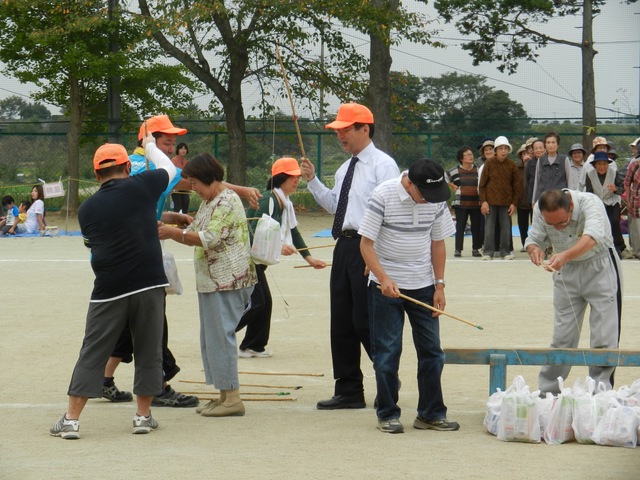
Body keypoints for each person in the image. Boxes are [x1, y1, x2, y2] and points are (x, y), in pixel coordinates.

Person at [102, 115, 260, 408]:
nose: (172, 142)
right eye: (165, 137)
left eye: (174, 138)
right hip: (135, 255)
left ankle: (110, 377)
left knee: (135, 320)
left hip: (211, 275)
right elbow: (185, 182)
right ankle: (156, 383)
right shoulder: (144, 167)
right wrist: (175, 229)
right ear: (147, 141)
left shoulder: (170, 171)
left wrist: (172, 222)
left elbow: (199, 193)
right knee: (144, 321)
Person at [50, 140, 177, 439]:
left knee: (92, 352)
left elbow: (92, 248)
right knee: (149, 349)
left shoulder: (87, 209)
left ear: (96, 175)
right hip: (149, 283)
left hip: (108, 288)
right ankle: (143, 416)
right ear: (128, 167)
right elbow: (169, 168)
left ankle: (71, 420)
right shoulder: (143, 185)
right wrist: (150, 145)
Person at [300, 102, 399, 410]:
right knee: (341, 319)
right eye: (337, 130)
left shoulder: (384, 166)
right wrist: (312, 180)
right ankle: (348, 388)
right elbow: (335, 205)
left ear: (364, 129)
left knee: (364, 319)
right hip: (343, 245)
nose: (340, 135)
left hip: (367, 246)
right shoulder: (345, 168)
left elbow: (391, 213)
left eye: (345, 130)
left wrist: (378, 259)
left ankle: (387, 379)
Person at [359, 159, 459, 435]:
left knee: (433, 351)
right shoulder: (383, 195)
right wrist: (384, 278)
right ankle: (388, 413)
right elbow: (365, 244)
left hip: (424, 285)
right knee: (388, 351)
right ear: (410, 185)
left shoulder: (436, 200)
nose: (429, 201)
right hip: (385, 286)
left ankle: (430, 413)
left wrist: (439, 285)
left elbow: (438, 243)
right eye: (425, 196)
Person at [159, 152, 257, 417]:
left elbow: (209, 237)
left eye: (194, 183)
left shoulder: (226, 200)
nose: (193, 189)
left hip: (227, 280)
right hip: (212, 282)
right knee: (211, 338)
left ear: (207, 178)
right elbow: (198, 229)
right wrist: (177, 223)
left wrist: (175, 233)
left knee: (221, 337)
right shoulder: (210, 200)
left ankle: (233, 397)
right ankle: (224, 393)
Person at [524, 189, 622, 395]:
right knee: (562, 335)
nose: (557, 228)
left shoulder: (590, 203)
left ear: (571, 206)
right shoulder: (540, 210)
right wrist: (535, 249)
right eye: (552, 225)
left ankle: (600, 391)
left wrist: (565, 256)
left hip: (600, 266)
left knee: (604, 335)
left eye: (562, 222)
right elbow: (534, 238)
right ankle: (548, 391)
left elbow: (592, 238)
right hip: (565, 271)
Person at [238, 157, 326, 358]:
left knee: (264, 302)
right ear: (280, 178)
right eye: (291, 177)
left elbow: (293, 232)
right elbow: (251, 228)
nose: (296, 180)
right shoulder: (268, 199)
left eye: (297, 176)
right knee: (258, 301)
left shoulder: (285, 203)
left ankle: (252, 345)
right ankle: (221, 334)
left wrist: (309, 258)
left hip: (257, 261)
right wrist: (279, 246)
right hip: (246, 259)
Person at [583, 151, 632, 259]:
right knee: (598, 224)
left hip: (612, 201)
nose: (602, 166)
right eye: (599, 164)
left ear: (608, 164)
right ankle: (601, 247)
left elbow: (622, 187)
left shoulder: (614, 172)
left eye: (604, 164)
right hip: (597, 202)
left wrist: (615, 189)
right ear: (595, 165)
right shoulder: (590, 174)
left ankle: (620, 247)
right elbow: (589, 192)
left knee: (614, 222)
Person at [478, 136, 519, 260]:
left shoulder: (512, 165)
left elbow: (516, 187)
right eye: (501, 148)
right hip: (490, 202)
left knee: (506, 228)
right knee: (489, 228)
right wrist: (483, 201)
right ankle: (488, 252)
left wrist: (514, 203)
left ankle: (505, 252)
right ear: (496, 150)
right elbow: (482, 185)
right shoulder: (489, 163)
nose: (503, 151)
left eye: (505, 148)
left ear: (508, 150)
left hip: (506, 202)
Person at [446, 146, 482, 257]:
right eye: (466, 154)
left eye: (471, 154)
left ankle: (476, 249)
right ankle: (458, 249)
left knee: (476, 227)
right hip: (460, 203)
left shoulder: (479, 169)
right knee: (460, 227)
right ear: (461, 158)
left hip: (476, 203)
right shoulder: (453, 171)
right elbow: (443, 179)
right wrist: (452, 186)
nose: (470, 156)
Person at [531, 131, 570, 204]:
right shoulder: (540, 160)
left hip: (560, 200)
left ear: (558, 144)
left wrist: (571, 199)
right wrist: (534, 200)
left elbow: (569, 181)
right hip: (543, 199)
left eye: (553, 142)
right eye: (548, 143)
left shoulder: (564, 159)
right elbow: (537, 181)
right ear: (545, 145)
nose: (550, 145)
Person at [623, 137, 640, 257]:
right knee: (636, 230)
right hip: (637, 203)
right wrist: (628, 202)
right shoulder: (635, 164)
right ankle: (637, 252)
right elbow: (627, 184)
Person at [515, 143, 532, 251]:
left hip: (533, 201)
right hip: (521, 201)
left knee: (535, 225)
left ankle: (535, 244)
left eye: (527, 153)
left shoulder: (536, 166)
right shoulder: (516, 168)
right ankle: (525, 244)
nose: (525, 156)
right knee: (522, 225)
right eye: (523, 154)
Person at [171, 142, 191, 213]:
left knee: (186, 202)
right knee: (178, 205)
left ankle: (184, 220)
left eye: (185, 149)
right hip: (176, 185)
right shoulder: (174, 160)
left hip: (185, 185)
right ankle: (176, 220)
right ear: (178, 150)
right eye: (181, 148)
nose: (183, 150)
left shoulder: (186, 161)